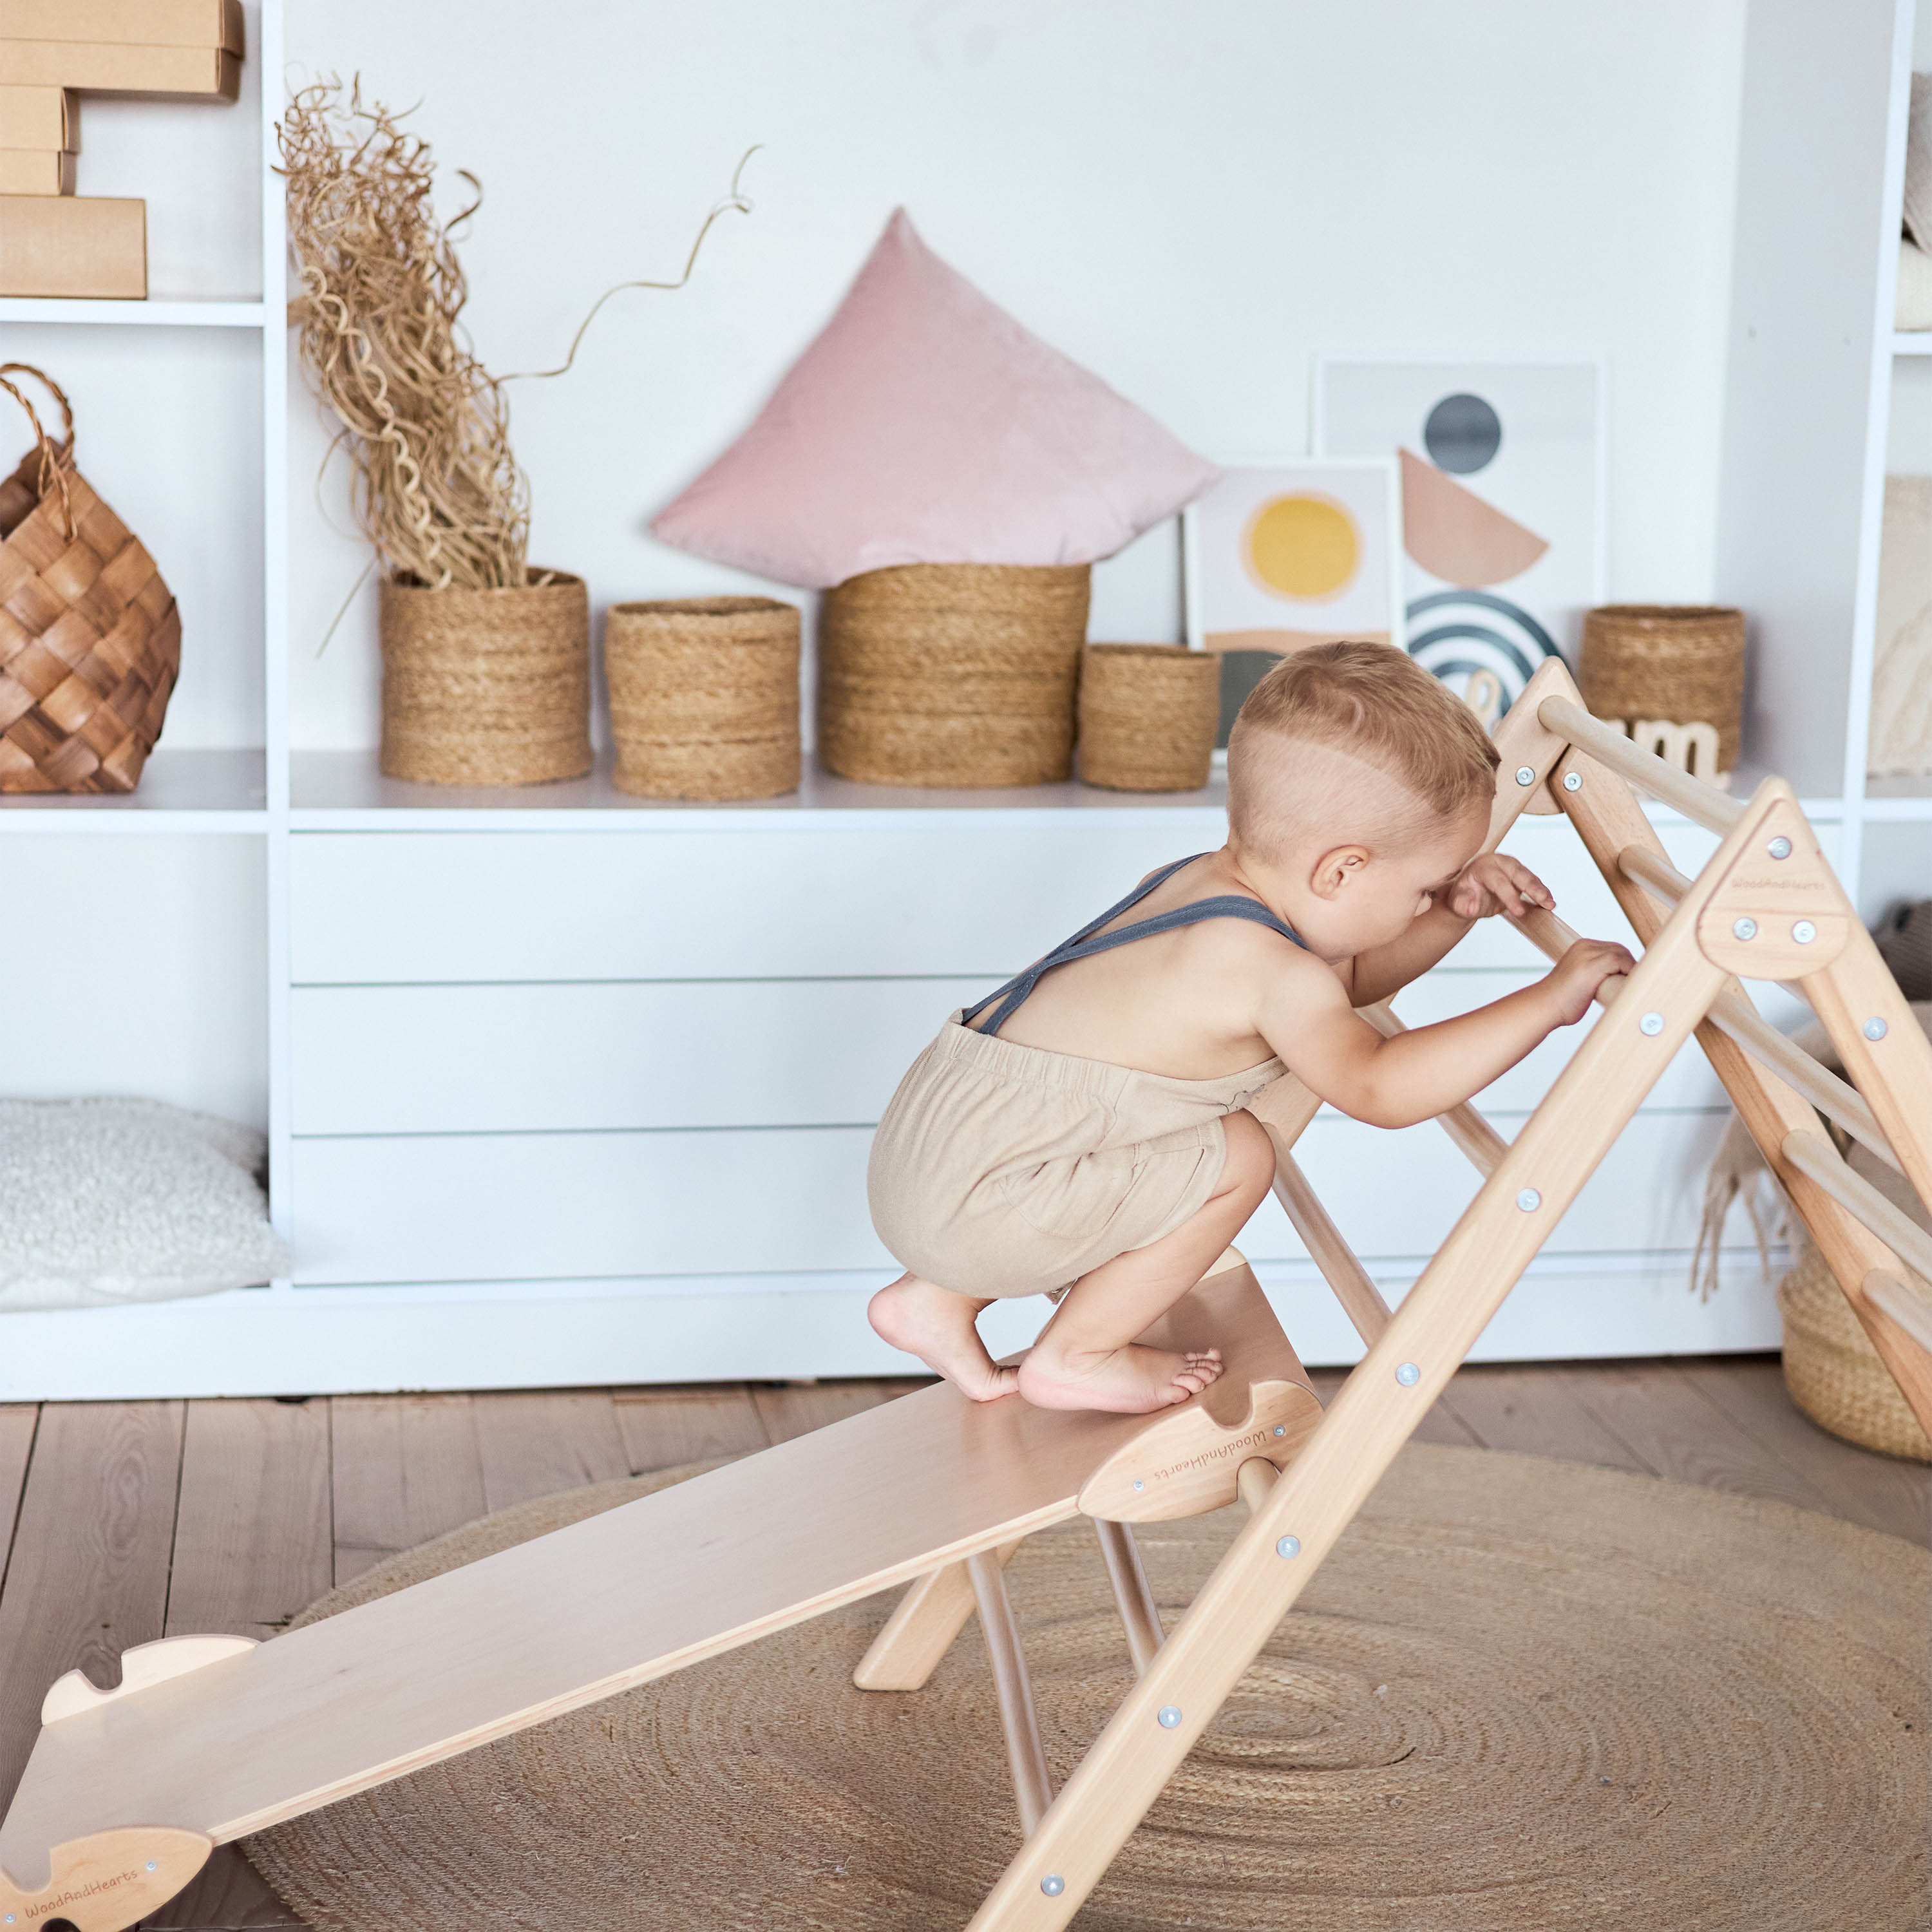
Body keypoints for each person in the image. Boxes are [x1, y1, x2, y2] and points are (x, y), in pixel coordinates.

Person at [866, 641, 1633, 1414]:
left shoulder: (1198, 886)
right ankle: (1076, 1354)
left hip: (934, 1152)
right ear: (1340, 872)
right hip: (988, 1202)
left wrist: (1452, 914)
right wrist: (1549, 998)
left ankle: (935, 1300)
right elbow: (1381, 1086)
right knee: (1240, 1152)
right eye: (1425, 887)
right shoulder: (1273, 974)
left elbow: (1352, 981)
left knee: (1125, 1140)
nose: (1426, 902)